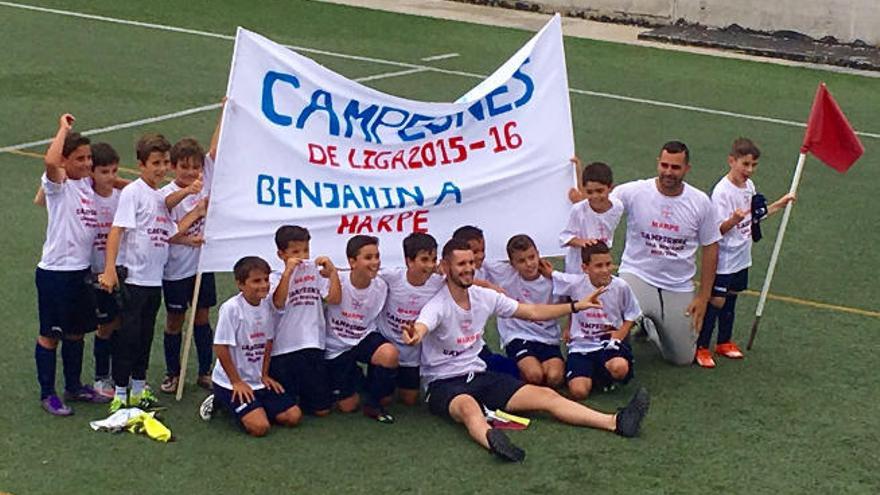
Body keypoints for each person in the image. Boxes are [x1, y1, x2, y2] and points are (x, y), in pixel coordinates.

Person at [402, 239, 650, 462]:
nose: (468, 268)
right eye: (461, 264)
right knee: (468, 408)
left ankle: (615, 422)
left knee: (547, 396)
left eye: (470, 263)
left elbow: (531, 311)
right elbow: (423, 325)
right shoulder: (438, 304)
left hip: (479, 376)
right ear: (445, 267)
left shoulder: (484, 296)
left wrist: (576, 306)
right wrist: (416, 335)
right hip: (443, 384)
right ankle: (493, 441)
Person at [98, 133, 203, 412]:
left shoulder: (159, 197)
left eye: (165, 162)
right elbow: (117, 230)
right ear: (141, 164)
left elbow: (169, 233)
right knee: (128, 336)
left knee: (145, 336)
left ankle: (138, 387)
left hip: (154, 280)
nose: (161, 168)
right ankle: (120, 392)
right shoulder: (134, 192)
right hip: (133, 278)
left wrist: (194, 223)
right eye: (155, 162)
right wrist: (110, 270)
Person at [612, 141, 721, 365]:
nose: (668, 172)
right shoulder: (634, 192)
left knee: (681, 358)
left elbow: (711, 247)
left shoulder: (700, 202)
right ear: (657, 164)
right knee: (614, 330)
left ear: (687, 169)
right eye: (664, 165)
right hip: (637, 275)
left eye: (675, 167)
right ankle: (639, 319)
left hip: (678, 285)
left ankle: (650, 325)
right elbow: (601, 204)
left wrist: (703, 297)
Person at [695, 138, 795, 368]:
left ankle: (724, 342)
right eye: (745, 164)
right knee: (716, 301)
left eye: (754, 165)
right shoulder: (722, 192)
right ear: (732, 161)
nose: (749, 170)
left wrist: (780, 204)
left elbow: (755, 217)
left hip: (741, 254)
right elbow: (716, 230)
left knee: (731, 297)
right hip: (724, 256)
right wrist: (733, 220)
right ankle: (700, 346)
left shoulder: (749, 187)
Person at [34, 114, 108, 415]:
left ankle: (74, 386)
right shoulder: (59, 184)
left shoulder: (86, 185)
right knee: (51, 335)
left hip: (80, 272)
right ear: (66, 162)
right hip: (55, 273)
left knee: (77, 332)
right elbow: (50, 161)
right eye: (80, 159)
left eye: (89, 158)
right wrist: (63, 129)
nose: (88, 163)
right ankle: (48, 393)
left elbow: (110, 179)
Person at [210, 256, 302, 437]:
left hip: (257, 381)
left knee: (293, 417)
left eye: (266, 280)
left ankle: (254, 407)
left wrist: (264, 374)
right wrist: (236, 382)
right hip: (230, 382)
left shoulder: (267, 306)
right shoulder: (231, 309)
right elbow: (221, 346)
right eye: (256, 281)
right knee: (260, 428)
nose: (264, 285)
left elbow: (268, 341)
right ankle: (220, 399)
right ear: (240, 284)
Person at [159, 138, 215, 393]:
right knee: (175, 320)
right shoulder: (166, 195)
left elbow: (213, 150)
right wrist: (191, 232)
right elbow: (166, 233)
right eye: (184, 166)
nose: (191, 172)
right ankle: (173, 373)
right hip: (175, 270)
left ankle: (205, 371)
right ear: (173, 167)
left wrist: (226, 110)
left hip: (202, 267)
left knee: (202, 318)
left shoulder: (204, 184)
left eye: (196, 167)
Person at [324, 235, 399, 422]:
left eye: (377, 256)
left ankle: (373, 405)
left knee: (389, 355)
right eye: (368, 257)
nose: (374, 262)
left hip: (363, 338)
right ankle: (356, 377)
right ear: (352, 261)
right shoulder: (336, 280)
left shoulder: (382, 285)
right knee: (347, 406)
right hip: (336, 347)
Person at [552, 241, 641, 398]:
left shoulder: (620, 286)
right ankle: (594, 375)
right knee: (578, 392)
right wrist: (569, 325)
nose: (605, 270)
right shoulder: (575, 284)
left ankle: (602, 374)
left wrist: (620, 335)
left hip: (608, 344)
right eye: (599, 266)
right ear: (585, 268)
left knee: (619, 367)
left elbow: (632, 314)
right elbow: (552, 276)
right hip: (581, 345)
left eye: (608, 264)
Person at [269, 225, 341, 416]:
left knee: (321, 410)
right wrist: (288, 273)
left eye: (306, 250)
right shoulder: (274, 278)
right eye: (295, 251)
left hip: (312, 344)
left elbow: (334, 298)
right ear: (281, 254)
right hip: (283, 349)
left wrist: (332, 273)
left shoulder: (316, 272)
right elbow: (278, 302)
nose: (302, 256)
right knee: (288, 407)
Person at [377, 232, 445, 405]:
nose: (430, 265)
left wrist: (492, 287)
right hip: (387, 344)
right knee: (383, 399)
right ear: (409, 260)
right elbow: (360, 274)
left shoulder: (439, 282)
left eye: (434, 259)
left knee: (409, 400)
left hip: (413, 352)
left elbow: (466, 283)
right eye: (424, 259)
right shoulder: (391, 277)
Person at [489, 235, 564, 387]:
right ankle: (508, 372)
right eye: (521, 261)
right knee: (534, 375)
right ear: (512, 263)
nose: (529, 264)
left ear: (538, 254)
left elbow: (573, 295)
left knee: (554, 377)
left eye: (532, 257)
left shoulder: (553, 280)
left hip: (548, 338)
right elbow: (478, 259)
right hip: (518, 336)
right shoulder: (505, 275)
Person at [451, 225, 520, 378]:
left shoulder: (485, 268)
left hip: (474, 342)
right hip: (452, 346)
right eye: (475, 252)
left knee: (514, 372)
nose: (481, 255)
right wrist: (488, 286)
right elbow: (452, 278)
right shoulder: (448, 272)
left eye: (483, 250)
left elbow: (513, 267)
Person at [89, 143, 123, 399]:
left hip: (118, 271)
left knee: (119, 323)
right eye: (104, 171)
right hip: (94, 272)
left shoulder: (121, 197)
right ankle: (101, 376)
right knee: (104, 327)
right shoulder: (84, 196)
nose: (110, 177)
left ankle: (119, 373)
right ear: (91, 172)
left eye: (114, 171)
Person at [559, 160, 624, 274]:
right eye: (590, 192)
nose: (595, 196)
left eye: (600, 191)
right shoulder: (578, 210)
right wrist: (582, 242)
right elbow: (564, 237)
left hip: (601, 264)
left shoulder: (617, 207)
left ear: (610, 188)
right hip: (577, 268)